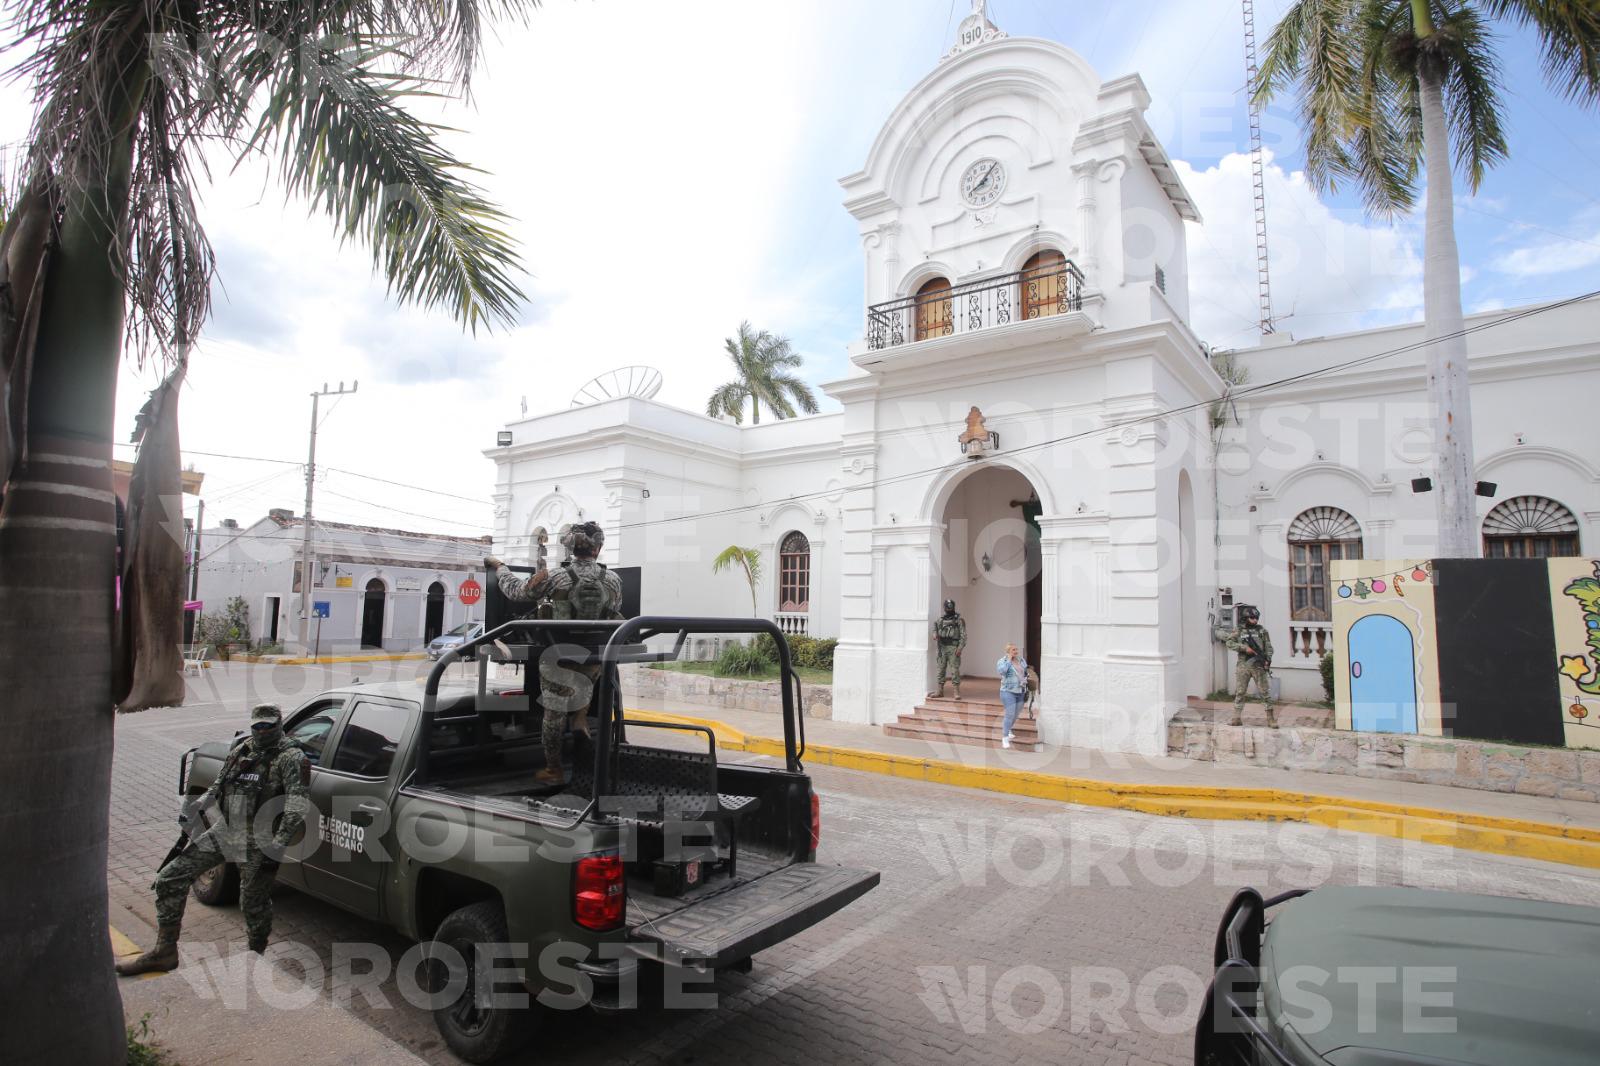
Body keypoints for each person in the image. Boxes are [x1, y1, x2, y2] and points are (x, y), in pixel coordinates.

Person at [115, 704, 310, 974]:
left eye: (268, 726)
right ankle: (165, 951)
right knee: (170, 878)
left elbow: (297, 807)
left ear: (279, 725)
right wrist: (197, 806)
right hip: (226, 830)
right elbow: (219, 784)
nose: (262, 731)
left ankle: (256, 956)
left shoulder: (291, 758)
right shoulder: (243, 749)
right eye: (258, 726)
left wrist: (276, 847)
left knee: (252, 902)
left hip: (260, 840)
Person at [492, 522, 624, 785]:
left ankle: (553, 769)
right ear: (598, 548)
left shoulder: (555, 576)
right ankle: (580, 718)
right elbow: (614, 609)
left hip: (559, 656)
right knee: (584, 686)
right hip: (595, 656)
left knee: (554, 713)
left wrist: (500, 568)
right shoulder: (613, 580)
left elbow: (517, 592)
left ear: (570, 548)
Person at [1225, 604, 1276, 728]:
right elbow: (1229, 643)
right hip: (1243, 665)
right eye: (1252, 618)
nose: (1255, 620)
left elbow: (1268, 647)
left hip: (1258, 666)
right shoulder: (1239, 630)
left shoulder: (1262, 631)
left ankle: (1271, 719)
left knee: (1264, 692)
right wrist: (1243, 648)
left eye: (1256, 618)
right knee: (1240, 692)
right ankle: (1236, 718)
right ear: (1246, 618)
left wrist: (1268, 660)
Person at [929, 599, 967, 699]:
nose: (949, 609)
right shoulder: (940, 620)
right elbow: (935, 628)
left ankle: (956, 692)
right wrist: (935, 634)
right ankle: (940, 691)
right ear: (944, 608)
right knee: (940, 669)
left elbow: (963, 636)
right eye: (947, 607)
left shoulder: (959, 620)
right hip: (942, 647)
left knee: (954, 670)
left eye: (950, 607)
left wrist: (960, 648)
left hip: (953, 647)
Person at [996, 643, 1028, 749]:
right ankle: (1005, 738)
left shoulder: (1021, 660)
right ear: (1008, 651)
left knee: (1015, 714)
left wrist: (1026, 680)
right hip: (1007, 691)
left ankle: (1009, 729)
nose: (1016, 651)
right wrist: (1009, 660)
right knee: (1010, 713)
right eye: (1013, 650)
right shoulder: (1002, 661)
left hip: (1020, 690)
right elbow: (1002, 671)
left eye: (1016, 649)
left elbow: (1025, 672)